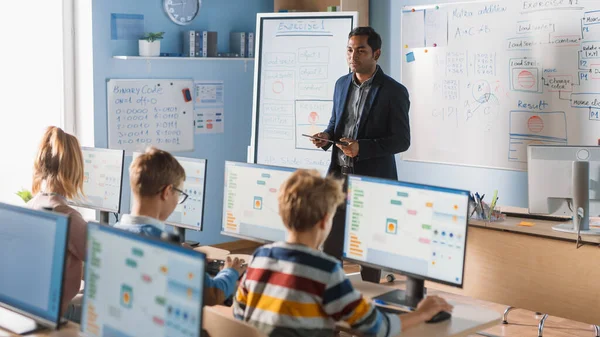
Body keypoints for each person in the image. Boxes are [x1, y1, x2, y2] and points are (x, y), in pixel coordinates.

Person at [233, 170, 452, 337]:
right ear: (325, 221)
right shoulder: (326, 271)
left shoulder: (261, 257)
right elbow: (375, 326)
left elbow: (239, 314)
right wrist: (422, 313)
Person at [312, 27, 411, 281]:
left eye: (360, 50)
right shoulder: (341, 84)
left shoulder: (393, 91)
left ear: (376, 53)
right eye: (349, 50)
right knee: (330, 243)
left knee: (369, 249)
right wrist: (325, 137)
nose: (352, 56)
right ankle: (332, 295)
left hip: (373, 180)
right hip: (339, 177)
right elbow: (336, 126)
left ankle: (369, 305)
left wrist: (361, 148)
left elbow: (401, 140)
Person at [114, 147, 245, 305]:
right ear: (167, 191)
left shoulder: (115, 231)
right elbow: (213, 293)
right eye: (179, 194)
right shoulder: (165, 246)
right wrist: (231, 271)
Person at [28, 126, 87, 321]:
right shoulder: (68, 217)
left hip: (36, 306)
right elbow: (103, 259)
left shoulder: (32, 205)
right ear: (75, 171)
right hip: (59, 314)